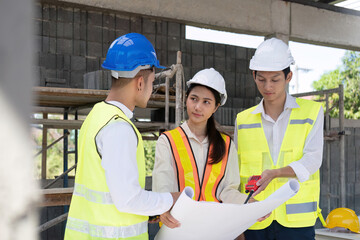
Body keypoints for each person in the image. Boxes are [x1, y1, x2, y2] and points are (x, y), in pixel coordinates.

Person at [64, 33, 180, 240]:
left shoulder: (97, 115)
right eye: (152, 81)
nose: (152, 89)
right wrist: (172, 199)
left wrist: (154, 208)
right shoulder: (119, 128)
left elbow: (112, 191)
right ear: (139, 83)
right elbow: (128, 199)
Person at [235, 37, 324, 240]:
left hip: (297, 222)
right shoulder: (243, 119)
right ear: (253, 76)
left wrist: (275, 173)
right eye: (261, 79)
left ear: (289, 76)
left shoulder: (311, 112)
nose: (268, 86)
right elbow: (235, 170)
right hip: (255, 218)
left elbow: (312, 160)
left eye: (275, 79)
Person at [152, 68, 250, 227]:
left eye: (206, 102)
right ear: (186, 99)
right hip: (178, 228)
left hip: (214, 228)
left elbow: (228, 191)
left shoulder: (226, 145)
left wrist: (248, 202)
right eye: (194, 99)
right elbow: (163, 186)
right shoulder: (168, 141)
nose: (198, 107)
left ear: (216, 107)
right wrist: (163, 210)